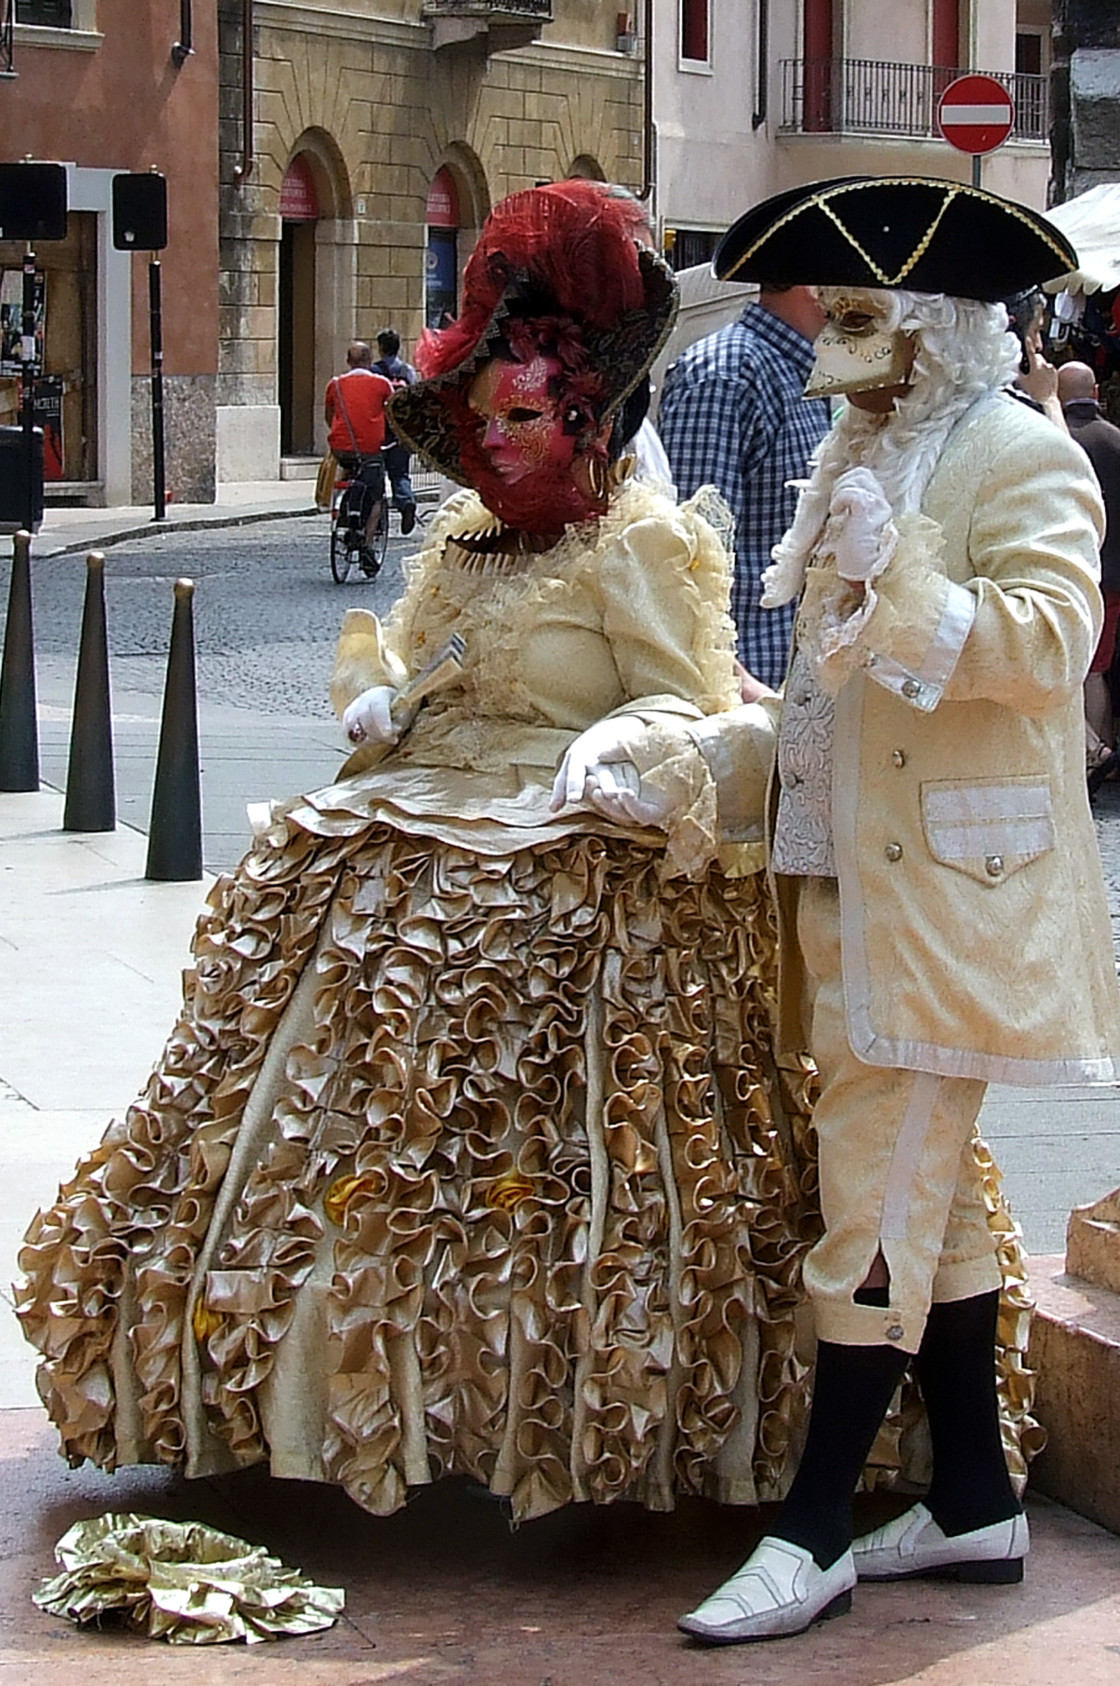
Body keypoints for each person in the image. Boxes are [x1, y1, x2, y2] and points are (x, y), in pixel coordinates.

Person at [17, 181, 819, 1530]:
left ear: (586, 420)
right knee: (328, 1094)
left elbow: (693, 692)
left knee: (549, 1129)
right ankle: (316, 1386)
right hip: (411, 812)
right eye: (484, 419)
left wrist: (622, 737)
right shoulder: (464, 541)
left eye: (530, 419)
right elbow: (416, 651)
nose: (500, 447)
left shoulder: (642, 544)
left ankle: (530, 1399)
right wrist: (385, 690)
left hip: (568, 837)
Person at [558, 175, 1120, 1643]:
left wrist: (913, 582)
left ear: (932, 326)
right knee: (920, 1211)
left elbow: (1056, 640)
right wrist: (701, 758)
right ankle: (979, 1503)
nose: (841, 354)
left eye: (869, 320)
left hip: (950, 895)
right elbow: (825, 707)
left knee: (868, 1199)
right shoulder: (853, 453)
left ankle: (814, 1531)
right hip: (840, 882)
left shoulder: (1017, 454)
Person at [658, 280, 830, 690]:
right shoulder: (723, 374)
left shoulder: (807, 371)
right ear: (814, 286)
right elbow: (686, 559)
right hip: (744, 698)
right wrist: (738, 691)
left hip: (795, 689)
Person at [1059, 359, 1120, 764]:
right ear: (1095, 392)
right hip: (1113, 574)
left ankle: (1090, 753)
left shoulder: (1053, 438)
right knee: (1097, 668)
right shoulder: (1116, 439)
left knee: (1075, 670)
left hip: (1068, 572)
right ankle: (1095, 754)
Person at [324, 341, 395, 569]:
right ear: (370, 359)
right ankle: (366, 545)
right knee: (376, 495)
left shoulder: (334, 384)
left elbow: (329, 416)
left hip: (342, 448)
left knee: (347, 473)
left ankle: (343, 516)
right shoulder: (382, 384)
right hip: (370, 450)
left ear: (348, 361)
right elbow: (393, 413)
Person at [372, 328, 419, 536]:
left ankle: (378, 520)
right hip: (400, 432)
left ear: (380, 348)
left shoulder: (374, 372)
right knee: (400, 474)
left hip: (378, 432)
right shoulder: (407, 371)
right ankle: (406, 501)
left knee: (376, 477)